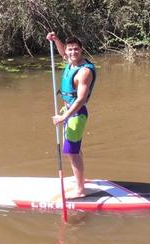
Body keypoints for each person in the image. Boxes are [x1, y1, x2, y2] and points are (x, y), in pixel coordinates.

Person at [46, 32, 96, 198]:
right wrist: (56, 40)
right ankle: (82, 179)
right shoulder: (70, 61)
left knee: (71, 152)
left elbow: (81, 100)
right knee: (75, 149)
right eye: (70, 50)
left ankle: (81, 191)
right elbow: (61, 53)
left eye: (76, 49)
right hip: (69, 112)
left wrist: (64, 117)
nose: (72, 52)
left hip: (76, 114)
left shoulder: (84, 72)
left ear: (81, 50)